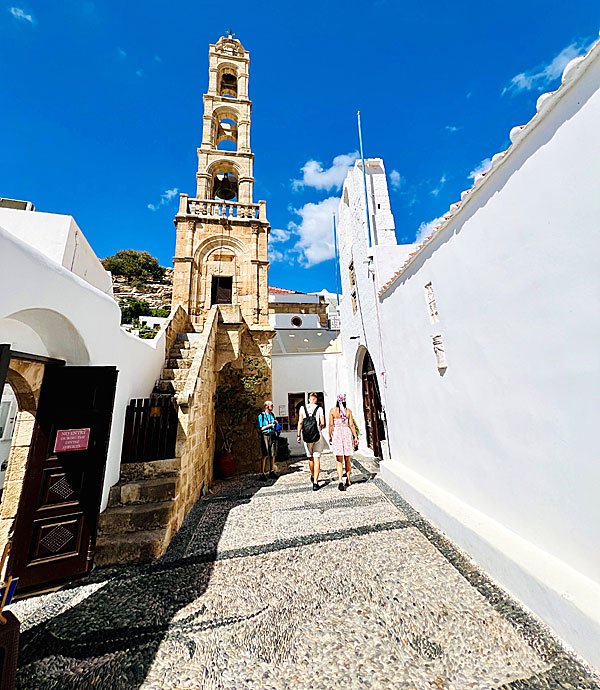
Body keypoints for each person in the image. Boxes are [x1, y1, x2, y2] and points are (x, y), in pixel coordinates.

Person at [328, 394, 358, 491]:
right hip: (346, 435)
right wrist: (355, 436)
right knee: (347, 459)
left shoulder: (332, 411)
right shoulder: (348, 411)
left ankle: (340, 480)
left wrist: (329, 436)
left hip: (337, 435)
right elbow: (351, 425)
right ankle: (348, 480)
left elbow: (331, 425)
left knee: (339, 459)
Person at [297, 392, 326, 490]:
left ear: (309, 399)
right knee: (317, 457)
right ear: (316, 399)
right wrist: (319, 427)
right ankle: (315, 482)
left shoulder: (302, 408)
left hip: (307, 436)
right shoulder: (319, 409)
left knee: (310, 458)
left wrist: (298, 435)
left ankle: (313, 475)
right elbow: (323, 423)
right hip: (317, 435)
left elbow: (300, 422)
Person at [257, 400, 278, 481]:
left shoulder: (272, 415)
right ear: (267, 406)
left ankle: (271, 471)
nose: (272, 407)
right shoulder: (261, 416)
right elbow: (260, 429)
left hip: (272, 435)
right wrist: (269, 425)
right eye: (271, 406)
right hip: (265, 435)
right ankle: (262, 473)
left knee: (273, 454)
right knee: (265, 454)